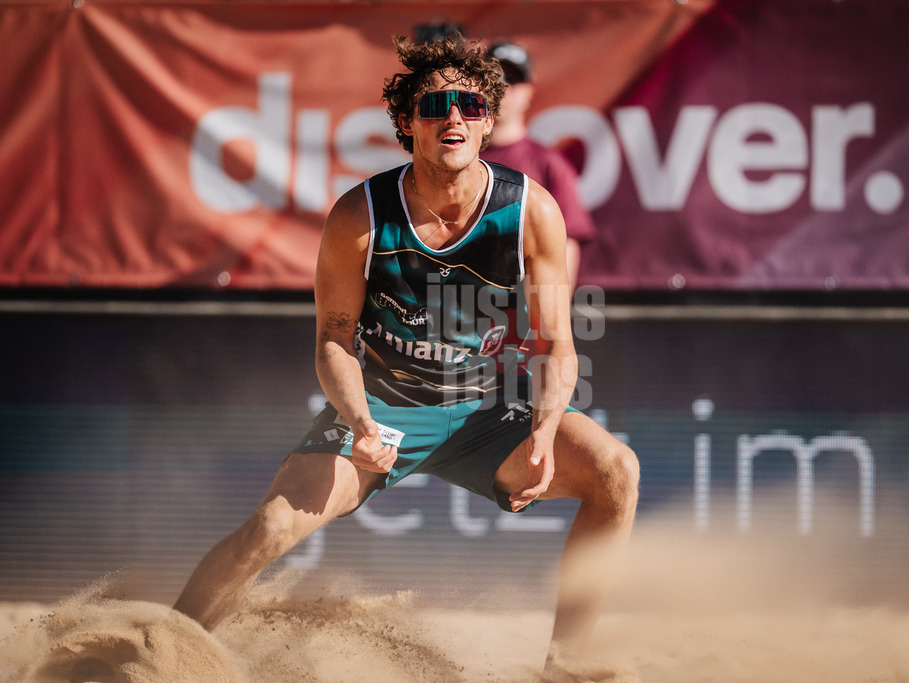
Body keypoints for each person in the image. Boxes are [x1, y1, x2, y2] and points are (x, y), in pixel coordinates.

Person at [173, 33, 639, 678]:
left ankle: (566, 662)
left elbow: (558, 342)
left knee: (616, 469)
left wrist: (545, 432)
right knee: (269, 531)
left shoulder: (531, 208)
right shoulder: (359, 217)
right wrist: (361, 425)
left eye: (470, 105)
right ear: (406, 123)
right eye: (435, 105)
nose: (453, 117)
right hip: (390, 407)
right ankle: (161, 652)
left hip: (488, 410)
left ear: (489, 121)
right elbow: (334, 340)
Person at [480, 40, 596, 291]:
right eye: (494, 77)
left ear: (529, 92)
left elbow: (566, 243)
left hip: (521, 316)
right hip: (456, 312)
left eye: (512, 79)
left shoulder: (550, 164)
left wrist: (552, 319)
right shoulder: (453, 156)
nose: (502, 87)